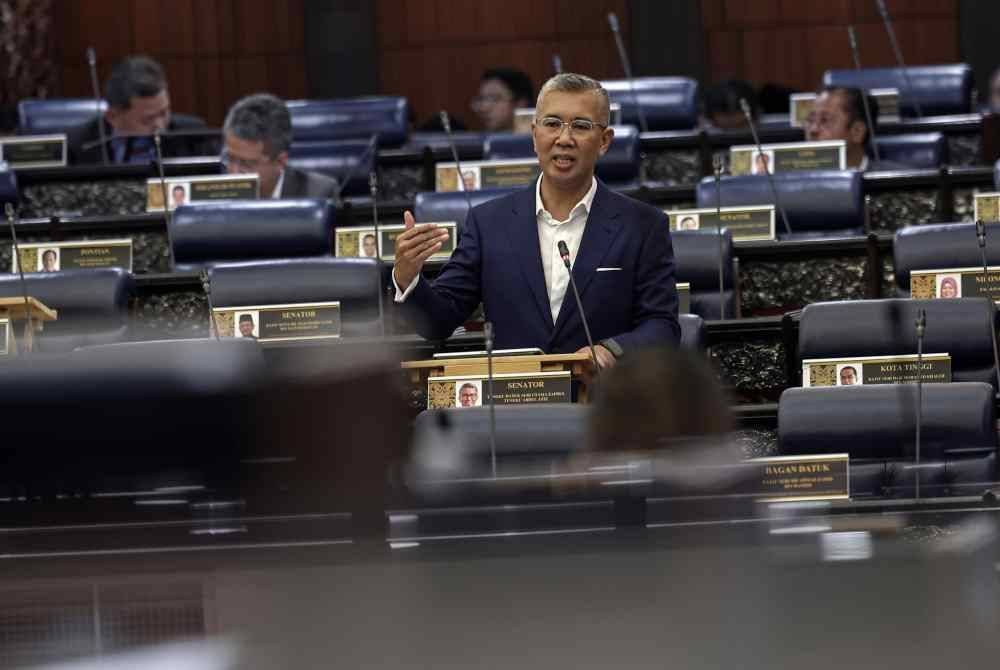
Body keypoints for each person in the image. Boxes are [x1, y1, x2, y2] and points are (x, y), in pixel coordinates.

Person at [392, 73, 681, 369]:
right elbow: (440, 322)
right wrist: (408, 278)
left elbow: (662, 327)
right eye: (552, 124)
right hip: (517, 405)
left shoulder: (643, 225)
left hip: (605, 404)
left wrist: (610, 351)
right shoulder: (489, 223)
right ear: (534, 134)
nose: (564, 139)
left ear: (604, 141)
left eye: (580, 126)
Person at [67, 55, 209, 164]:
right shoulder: (77, 146)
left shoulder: (194, 138)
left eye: (164, 113)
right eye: (147, 119)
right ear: (112, 116)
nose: (159, 125)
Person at [222, 93, 339, 201]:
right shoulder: (216, 193)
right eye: (230, 158)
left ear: (280, 161)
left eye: (246, 164)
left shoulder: (318, 195)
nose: (234, 173)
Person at [804, 86, 906, 171]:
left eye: (824, 120)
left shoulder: (896, 182)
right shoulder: (793, 180)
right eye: (810, 120)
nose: (813, 130)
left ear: (857, 132)